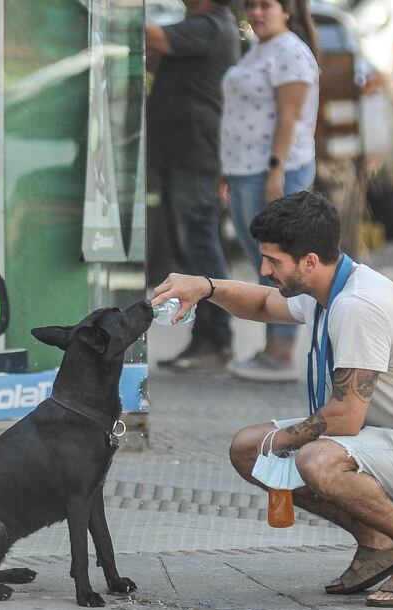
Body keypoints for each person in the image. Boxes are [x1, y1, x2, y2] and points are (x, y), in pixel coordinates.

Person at [151, 191, 393, 607]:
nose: (264, 269)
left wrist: (281, 447)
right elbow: (264, 303)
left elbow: (344, 419)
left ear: (308, 261)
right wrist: (207, 286)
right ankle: (377, 540)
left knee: (314, 460)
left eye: (273, 261)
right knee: (248, 449)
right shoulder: (330, 282)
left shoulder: (359, 306)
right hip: (389, 442)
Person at [220, 0, 319, 381]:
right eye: (252, 6)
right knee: (263, 262)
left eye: (266, 5)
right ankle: (270, 346)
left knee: (279, 261)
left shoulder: (291, 52)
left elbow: (289, 116)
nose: (256, 13)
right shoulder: (260, 50)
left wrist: (276, 170)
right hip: (246, 170)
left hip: (275, 170)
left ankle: (281, 351)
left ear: (287, 10)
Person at [146, 0, 241, 373]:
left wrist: (115, 13)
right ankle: (203, 341)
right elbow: (157, 53)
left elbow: (152, 35)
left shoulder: (212, 25)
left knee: (199, 246)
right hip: (180, 156)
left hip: (195, 156)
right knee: (188, 251)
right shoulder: (197, 27)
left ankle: (218, 341)